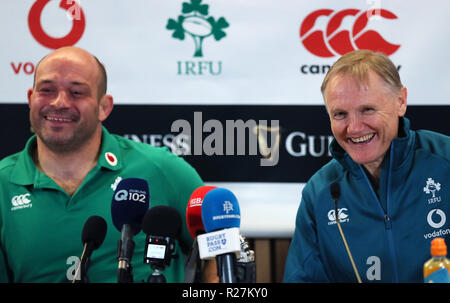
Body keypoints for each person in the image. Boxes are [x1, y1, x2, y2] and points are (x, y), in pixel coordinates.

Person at [0, 46, 216, 282]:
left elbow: (222, 255)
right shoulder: (3, 183)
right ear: (31, 99)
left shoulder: (162, 170)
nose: (59, 102)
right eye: (47, 90)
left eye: (76, 92)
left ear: (104, 106)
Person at [283, 49, 450, 282]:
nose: (354, 128)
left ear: (400, 101)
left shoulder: (445, 160)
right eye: (340, 114)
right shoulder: (319, 192)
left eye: (367, 110)